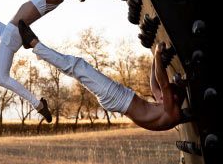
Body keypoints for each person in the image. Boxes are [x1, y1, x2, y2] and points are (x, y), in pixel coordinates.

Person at [18, 20, 186, 131]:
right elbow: (155, 86)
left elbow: (163, 85)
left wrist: (157, 55)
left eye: (169, 92)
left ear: (175, 97)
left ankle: (34, 44)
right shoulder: (167, 107)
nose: (162, 95)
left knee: (78, 66)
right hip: (117, 97)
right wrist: (154, 62)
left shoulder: (173, 113)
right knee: (77, 69)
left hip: (116, 97)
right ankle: (38, 50)